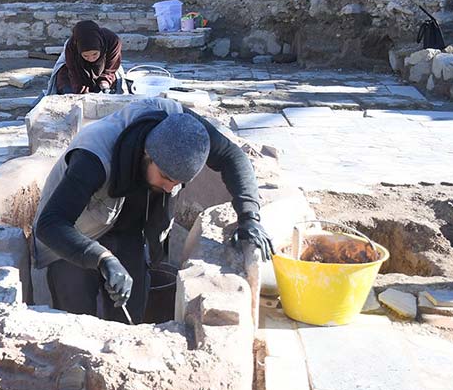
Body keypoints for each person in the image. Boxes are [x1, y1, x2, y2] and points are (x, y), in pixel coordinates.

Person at [33, 99, 273, 324]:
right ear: (146, 154)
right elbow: (50, 224)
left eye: (178, 182)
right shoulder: (93, 159)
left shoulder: (180, 128)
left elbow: (233, 156)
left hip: (128, 230)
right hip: (73, 234)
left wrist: (249, 217)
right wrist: (102, 258)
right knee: (75, 317)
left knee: (129, 314)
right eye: (166, 177)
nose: (170, 188)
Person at [48, 20, 124, 95]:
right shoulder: (72, 46)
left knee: (111, 91)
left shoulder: (112, 41)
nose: (91, 58)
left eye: (94, 54)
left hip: (106, 69)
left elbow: (111, 68)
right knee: (67, 89)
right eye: (86, 56)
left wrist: (105, 81)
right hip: (79, 71)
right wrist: (80, 90)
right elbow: (73, 71)